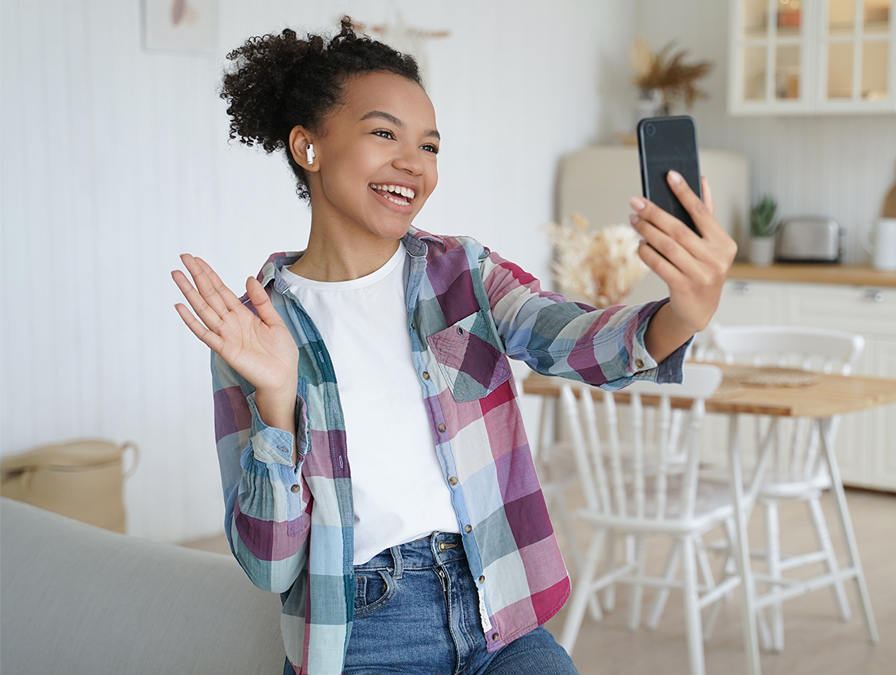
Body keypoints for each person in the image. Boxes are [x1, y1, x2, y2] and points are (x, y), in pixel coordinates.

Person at [171, 17, 735, 675]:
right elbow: (270, 563)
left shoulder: (464, 273)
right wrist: (275, 404)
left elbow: (579, 340)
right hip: (364, 635)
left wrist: (685, 312)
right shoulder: (253, 331)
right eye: (384, 133)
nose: (414, 164)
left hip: (499, 615)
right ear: (308, 147)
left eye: (430, 145)